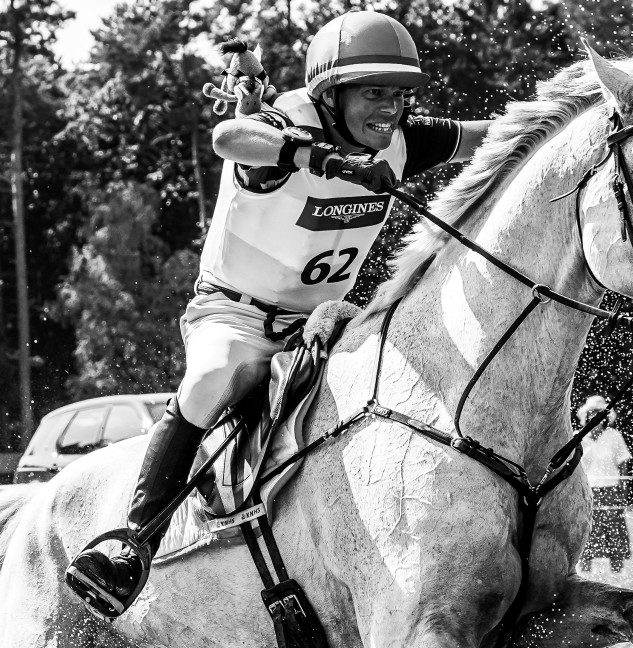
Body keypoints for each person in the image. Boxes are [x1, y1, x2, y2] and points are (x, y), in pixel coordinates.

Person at [65, 11, 494, 617]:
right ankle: (132, 544)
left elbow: (498, 134)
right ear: (331, 94)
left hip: (323, 323)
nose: (390, 110)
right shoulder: (281, 125)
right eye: (374, 93)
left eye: (399, 96)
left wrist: (588, 118)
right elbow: (228, 138)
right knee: (213, 377)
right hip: (235, 319)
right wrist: (330, 162)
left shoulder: (400, 139)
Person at [576, 396, 633, 573]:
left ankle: (617, 573)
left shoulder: (614, 436)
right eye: (592, 413)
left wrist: (624, 490)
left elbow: (623, 465)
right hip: (585, 490)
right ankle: (584, 572)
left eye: (600, 414)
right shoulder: (577, 437)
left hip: (612, 489)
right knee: (587, 532)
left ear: (606, 417)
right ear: (586, 416)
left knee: (615, 531)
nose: (596, 417)